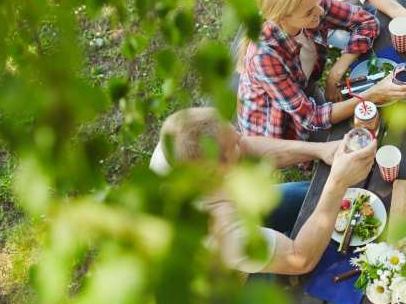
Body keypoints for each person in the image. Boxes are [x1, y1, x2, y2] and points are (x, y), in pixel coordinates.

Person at [150, 107, 376, 275]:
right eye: (234, 145)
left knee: (310, 194)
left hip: (238, 208)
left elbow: (246, 147)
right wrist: (337, 183)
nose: (241, 138)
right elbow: (300, 260)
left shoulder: (180, 144)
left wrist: (321, 150)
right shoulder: (218, 232)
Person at [237, 0, 406, 141]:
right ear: (282, 18)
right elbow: (311, 118)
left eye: (316, 1)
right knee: (335, 140)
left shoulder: (308, 2)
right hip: (275, 124)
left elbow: (367, 21)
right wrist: (372, 94)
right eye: (309, 12)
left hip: (305, 89)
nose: (320, 11)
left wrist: (335, 72)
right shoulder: (264, 57)